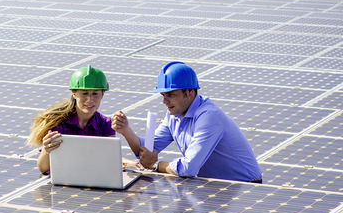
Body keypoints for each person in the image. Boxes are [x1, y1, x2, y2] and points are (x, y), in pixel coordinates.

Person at [111, 61, 262, 183]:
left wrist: (155, 165)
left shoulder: (209, 117)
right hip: (217, 186)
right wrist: (126, 131)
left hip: (245, 188)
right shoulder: (173, 115)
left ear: (190, 92)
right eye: (163, 95)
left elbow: (188, 168)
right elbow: (148, 151)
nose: (164, 101)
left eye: (170, 95)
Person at [28, 65, 138, 174]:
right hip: (63, 180)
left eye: (95, 94)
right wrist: (46, 151)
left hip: (93, 179)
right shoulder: (57, 123)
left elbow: (108, 155)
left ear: (103, 94)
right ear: (74, 93)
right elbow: (43, 168)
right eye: (84, 94)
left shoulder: (105, 124)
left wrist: (125, 162)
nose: (90, 100)